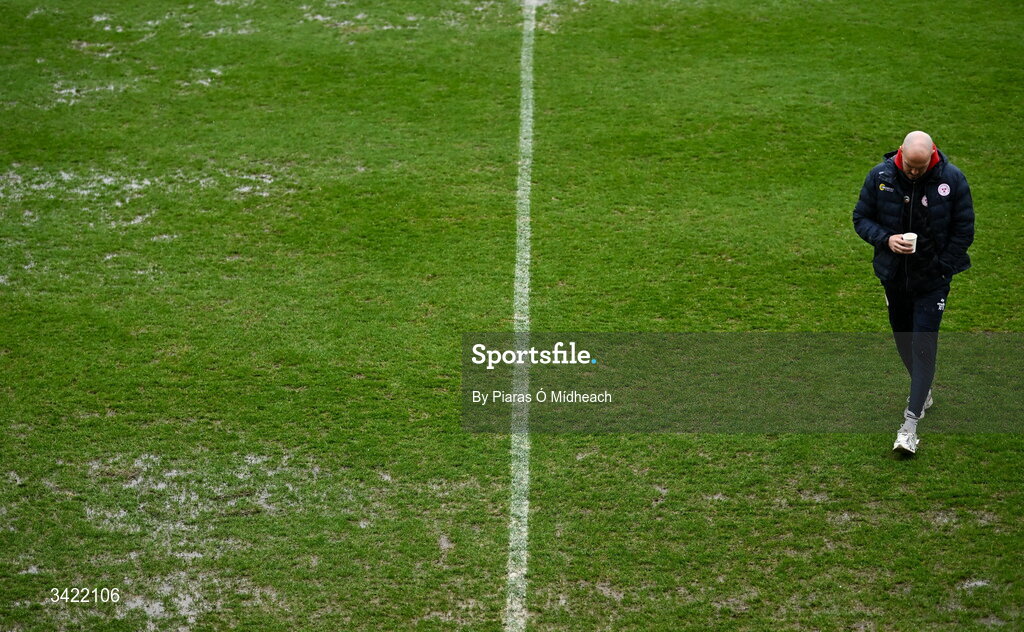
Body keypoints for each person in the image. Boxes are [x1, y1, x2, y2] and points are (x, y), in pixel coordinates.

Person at [853, 131, 975, 454]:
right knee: (903, 339)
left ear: (932, 154)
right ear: (901, 156)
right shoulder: (880, 176)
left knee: (923, 343)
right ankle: (924, 391)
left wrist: (941, 267)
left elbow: (964, 230)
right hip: (894, 278)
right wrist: (886, 239)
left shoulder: (952, 180)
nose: (914, 173)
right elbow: (860, 217)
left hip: (932, 282)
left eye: (920, 168)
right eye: (910, 166)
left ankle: (909, 427)